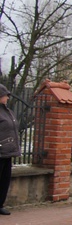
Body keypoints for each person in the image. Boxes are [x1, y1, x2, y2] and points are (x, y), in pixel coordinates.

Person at [0, 84, 20, 216]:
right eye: (5, 95)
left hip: (8, 151)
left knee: (4, 179)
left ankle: (0, 204)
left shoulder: (7, 111)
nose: (7, 97)